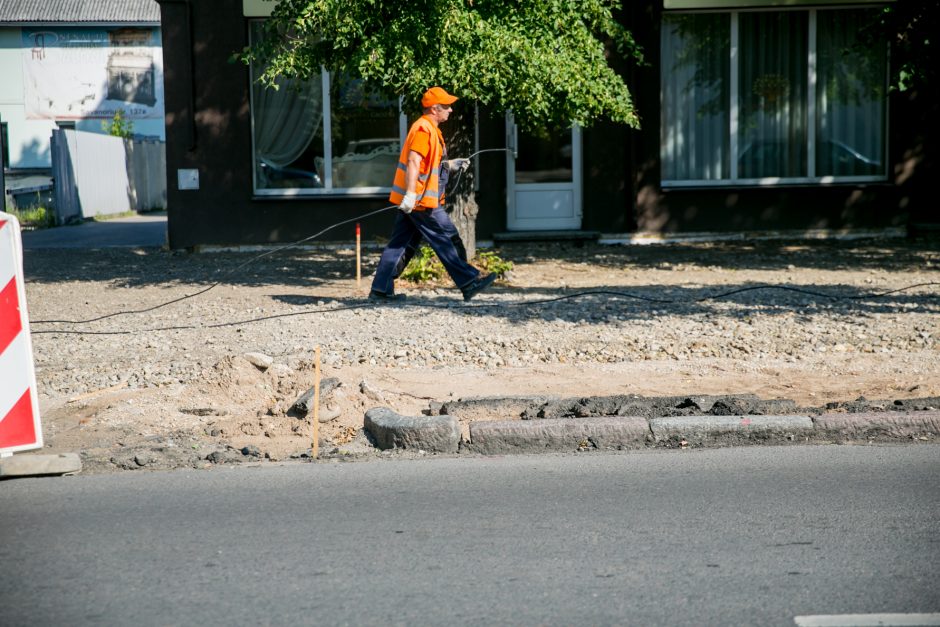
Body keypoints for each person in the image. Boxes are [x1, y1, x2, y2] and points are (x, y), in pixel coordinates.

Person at [369, 86, 496, 302]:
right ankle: (468, 282)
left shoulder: (431, 129)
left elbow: (429, 164)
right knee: (445, 238)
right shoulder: (423, 129)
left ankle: (381, 290)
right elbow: (414, 161)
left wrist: (450, 165)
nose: (451, 110)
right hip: (419, 200)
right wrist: (410, 195)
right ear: (435, 108)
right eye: (446, 106)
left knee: (400, 243)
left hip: (419, 199)